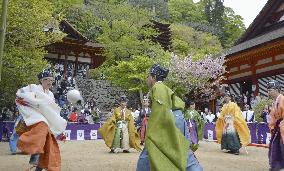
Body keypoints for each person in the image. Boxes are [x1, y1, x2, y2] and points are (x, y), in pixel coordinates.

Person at [136, 64, 202, 171]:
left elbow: (161, 109)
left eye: (148, 76)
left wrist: (152, 132)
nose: (147, 79)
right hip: (176, 118)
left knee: (152, 149)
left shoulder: (158, 87)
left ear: (154, 77)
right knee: (178, 148)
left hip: (169, 119)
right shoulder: (163, 87)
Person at [15, 68, 67, 171]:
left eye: (51, 80)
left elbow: (51, 110)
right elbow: (20, 93)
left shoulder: (51, 94)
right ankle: (34, 155)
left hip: (46, 120)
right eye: (47, 79)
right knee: (41, 127)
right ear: (41, 80)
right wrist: (31, 99)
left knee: (48, 146)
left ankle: (38, 167)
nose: (50, 82)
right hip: (33, 116)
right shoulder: (33, 87)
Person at [267, 80, 284, 170]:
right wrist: (272, 126)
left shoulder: (282, 99)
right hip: (278, 126)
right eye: (268, 90)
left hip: (282, 125)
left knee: (281, 145)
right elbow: (272, 116)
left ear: (277, 89)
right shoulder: (275, 101)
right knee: (275, 145)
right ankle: (276, 165)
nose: (268, 92)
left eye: (270, 90)